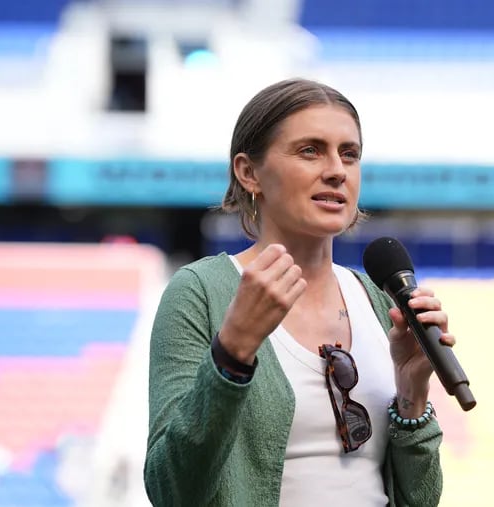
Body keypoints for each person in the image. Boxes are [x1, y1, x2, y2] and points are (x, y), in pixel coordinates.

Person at [143, 78, 456, 506]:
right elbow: (171, 491)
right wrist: (233, 352)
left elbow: (420, 499)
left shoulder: (379, 301)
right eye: (310, 150)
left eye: (350, 154)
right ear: (249, 172)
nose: (336, 170)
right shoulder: (200, 293)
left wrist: (412, 395)